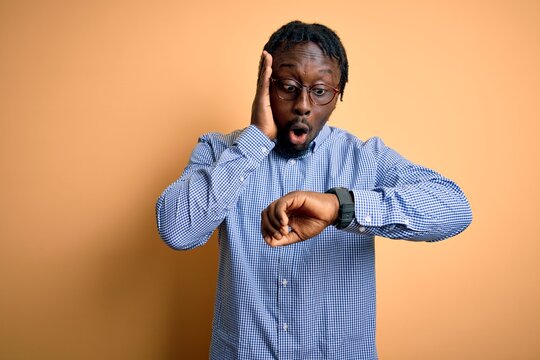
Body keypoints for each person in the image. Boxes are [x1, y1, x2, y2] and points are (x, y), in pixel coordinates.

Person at [156, 20, 472, 360]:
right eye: (288, 86)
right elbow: (177, 230)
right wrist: (255, 139)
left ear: (338, 96)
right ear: (264, 86)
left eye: (320, 91)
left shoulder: (366, 158)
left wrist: (341, 207)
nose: (303, 104)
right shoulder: (221, 152)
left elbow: (454, 207)